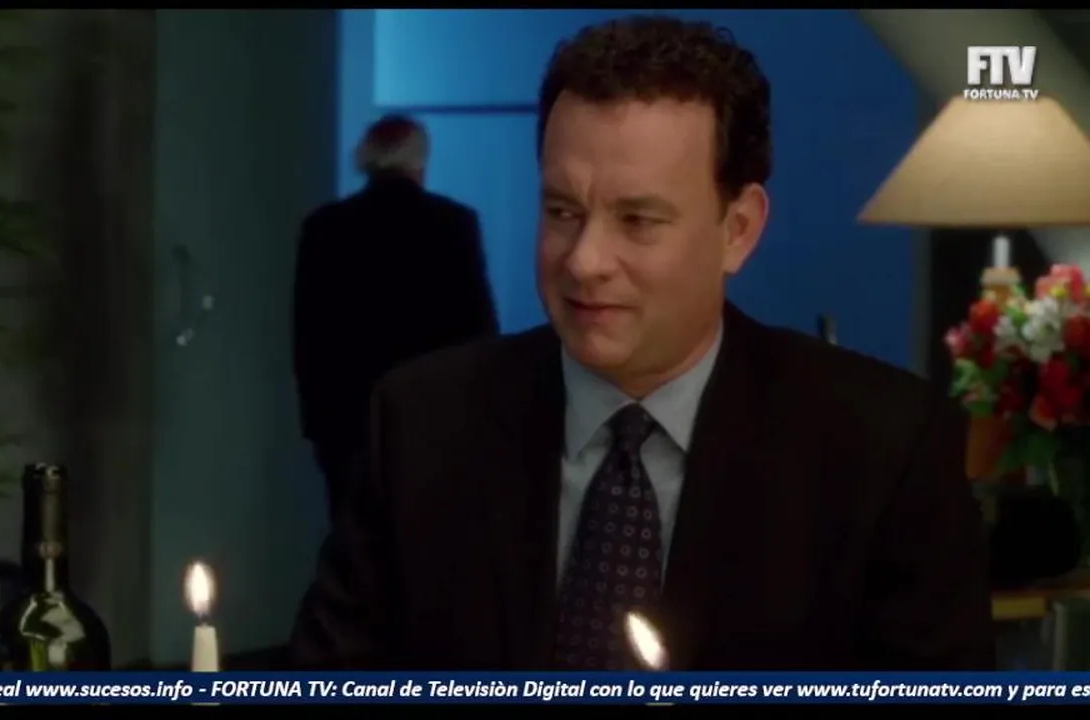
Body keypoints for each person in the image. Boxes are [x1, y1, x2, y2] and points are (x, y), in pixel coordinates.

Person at [290, 16, 993, 670]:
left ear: (738, 229)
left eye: (637, 220)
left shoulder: (882, 449)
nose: (584, 261)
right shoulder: (421, 425)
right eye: (562, 211)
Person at [292, 115, 499, 527]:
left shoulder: (324, 228)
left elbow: (308, 339)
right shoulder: (453, 224)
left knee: (355, 542)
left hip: (346, 425)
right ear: (420, 162)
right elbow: (479, 330)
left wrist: (318, 425)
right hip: (435, 420)